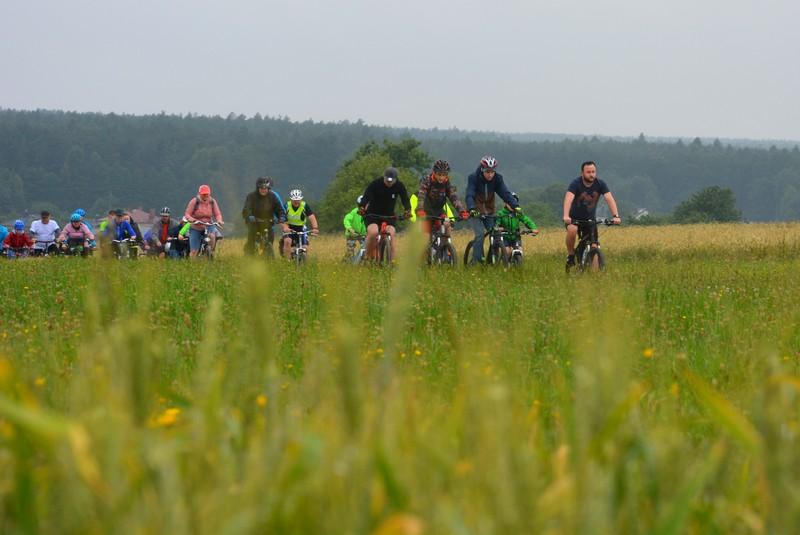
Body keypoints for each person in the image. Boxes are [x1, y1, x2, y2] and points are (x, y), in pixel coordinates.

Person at [562, 161, 621, 270]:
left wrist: (615, 215)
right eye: (588, 172)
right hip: (574, 219)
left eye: (593, 172)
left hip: (590, 220)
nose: (591, 174)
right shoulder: (576, 183)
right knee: (572, 230)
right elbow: (568, 198)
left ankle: (595, 275)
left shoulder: (600, 184)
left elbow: (609, 198)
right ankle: (570, 255)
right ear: (582, 173)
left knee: (595, 246)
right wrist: (566, 216)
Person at [465, 155, 520, 264]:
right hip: (475, 211)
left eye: (492, 172)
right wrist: (471, 208)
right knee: (480, 234)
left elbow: (505, 193)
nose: (490, 175)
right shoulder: (473, 178)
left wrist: (515, 206)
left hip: (489, 212)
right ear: (482, 169)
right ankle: (476, 262)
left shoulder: (497, 179)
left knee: (496, 235)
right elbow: (469, 194)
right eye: (487, 172)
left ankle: (491, 261)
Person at [358, 167, 411, 262]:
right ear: (384, 178)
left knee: (391, 234)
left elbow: (405, 199)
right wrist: (362, 207)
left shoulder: (399, 186)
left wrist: (407, 210)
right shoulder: (375, 184)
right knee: (373, 232)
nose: (389, 183)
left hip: (389, 216)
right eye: (387, 181)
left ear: (395, 179)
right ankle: (367, 257)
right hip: (373, 215)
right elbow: (366, 197)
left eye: (391, 181)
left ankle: (391, 262)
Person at [414, 159, 468, 238]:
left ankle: (446, 245)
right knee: (425, 235)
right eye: (439, 174)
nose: (441, 177)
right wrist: (420, 209)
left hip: (438, 211)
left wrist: (462, 211)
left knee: (447, 225)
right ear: (434, 172)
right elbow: (421, 196)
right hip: (425, 211)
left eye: (444, 175)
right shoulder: (427, 180)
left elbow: (454, 197)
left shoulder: (446, 183)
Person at [242, 176, 288, 256]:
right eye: (261, 188)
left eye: (265, 188)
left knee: (270, 238)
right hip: (254, 221)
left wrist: (282, 217)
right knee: (252, 234)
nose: (263, 190)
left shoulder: (273, 196)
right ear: (258, 188)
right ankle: (249, 253)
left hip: (268, 222)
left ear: (268, 188)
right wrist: (249, 216)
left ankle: (269, 255)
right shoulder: (251, 196)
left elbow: (280, 209)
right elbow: (247, 209)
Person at [184, 184, 224, 257]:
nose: (205, 195)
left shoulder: (212, 201)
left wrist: (219, 220)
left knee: (212, 236)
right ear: (199, 194)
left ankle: (211, 252)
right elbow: (187, 214)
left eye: (207, 194)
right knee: (194, 252)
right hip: (196, 226)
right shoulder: (194, 201)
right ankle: (193, 261)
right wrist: (192, 219)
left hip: (209, 224)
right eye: (203, 194)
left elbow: (217, 213)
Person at [495, 192, 539, 257]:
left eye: (514, 203)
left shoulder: (517, 212)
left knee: (519, 251)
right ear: (505, 203)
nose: (512, 205)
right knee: (507, 252)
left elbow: (526, 220)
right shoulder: (501, 213)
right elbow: (496, 224)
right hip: (505, 237)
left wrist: (533, 228)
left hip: (516, 236)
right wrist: (498, 228)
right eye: (510, 203)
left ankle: (517, 261)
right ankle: (505, 261)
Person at [282, 189, 319, 257]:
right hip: (289, 227)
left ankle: (303, 260)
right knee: (287, 242)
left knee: (305, 247)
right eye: (294, 200)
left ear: (301, 199)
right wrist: (285, 227)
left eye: (298, 200)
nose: (296, 202)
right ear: (291, 199)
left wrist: (315, 228)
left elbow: (311, 217)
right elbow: (282, 218)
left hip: (301, 227)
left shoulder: (304, 205)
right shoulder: (286, 206)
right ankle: (286, 261)